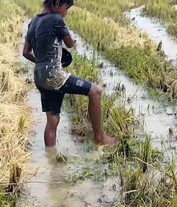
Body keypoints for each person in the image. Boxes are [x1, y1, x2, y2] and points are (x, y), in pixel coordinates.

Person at [22, 0, 118, 148]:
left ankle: (51, 159)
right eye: (66, 8)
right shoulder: (56, 19)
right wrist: (72, 40)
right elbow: (69, 43)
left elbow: (25, 53)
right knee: (95, 91)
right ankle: (99, 138)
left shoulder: (33, 22)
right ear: (57, 3)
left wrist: (42, 64)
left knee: (52, 120)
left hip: (39, 76)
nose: (66, 13)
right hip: (54, 76)